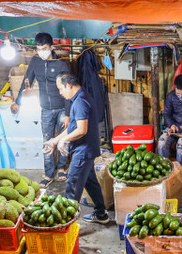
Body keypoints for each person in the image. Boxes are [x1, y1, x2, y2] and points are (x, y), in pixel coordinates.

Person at [44, 72, 109, 224]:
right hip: (86, 151)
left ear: (69, 85)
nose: (60, 93)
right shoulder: (80, 97)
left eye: (61, 89)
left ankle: (67, 225)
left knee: (72, 187)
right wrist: (55, 140)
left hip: (83, 152)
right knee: (90, 182)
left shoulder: (80, 102)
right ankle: (101, 214)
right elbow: (73, 128)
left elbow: (81, 130)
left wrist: (64, 141)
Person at [11, 32, 73, 187]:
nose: (41, 51)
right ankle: (48, 174)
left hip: (61, 107)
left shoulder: (61, 64)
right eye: (38, 49)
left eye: (44, 48)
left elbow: (69, 90)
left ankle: (62, 168)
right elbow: (27, 82)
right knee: (47, 140)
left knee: (64, 140)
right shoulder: (35, 61)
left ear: (51, 47)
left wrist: (67, 113)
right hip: (45, 108)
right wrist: (17, 102)